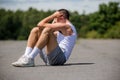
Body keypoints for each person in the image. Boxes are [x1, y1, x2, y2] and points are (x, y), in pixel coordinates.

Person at [12, 9, 77, 67]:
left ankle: (30, 58)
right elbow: (41, 29)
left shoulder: (66, 26)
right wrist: (54, 21)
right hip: (50, 57)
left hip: (59, 58)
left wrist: (52, 16)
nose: (54, 19)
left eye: (55, 17)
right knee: (35, 30)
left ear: (61, 16)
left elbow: (40, 24)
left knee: (48, 29)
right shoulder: (61, 30)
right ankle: (26, 57)